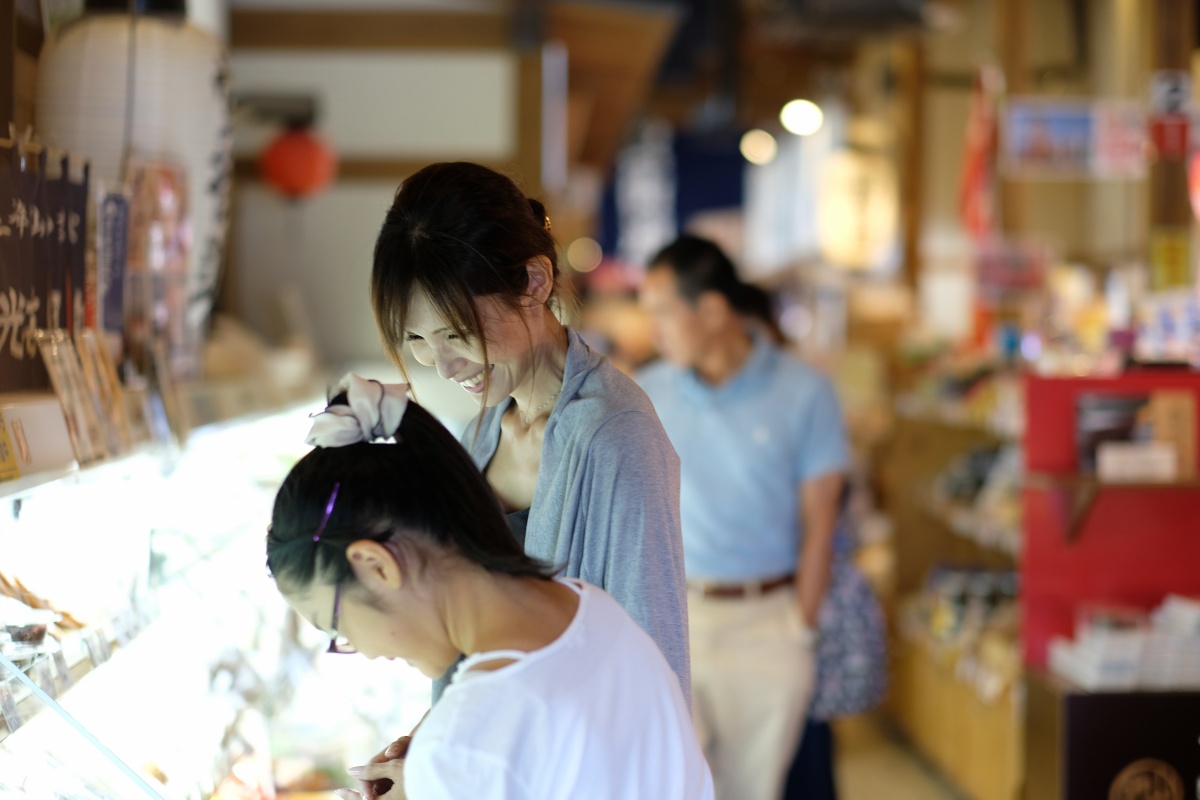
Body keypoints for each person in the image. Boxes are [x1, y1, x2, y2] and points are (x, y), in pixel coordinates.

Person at [267, 376, 713, 800]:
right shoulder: (588, 606)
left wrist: (444, 771)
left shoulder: (465, 743)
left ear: (376, 565)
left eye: (338, 625)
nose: (362, 649)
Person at [369, 161, 689, 704]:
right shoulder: (481, 432)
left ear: (534, 282)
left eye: (457, 332)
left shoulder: (615, 435)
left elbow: (654, 667)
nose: (442, 365)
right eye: (418, 339)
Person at [636, 235, 850, 800]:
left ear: (711, 310)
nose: (653, 330)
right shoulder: (646, 392)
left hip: (769, 624)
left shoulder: (805, 390)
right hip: (675, 619)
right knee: (678, 786)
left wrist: (799, 628)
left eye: (662, 312)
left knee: (755, 790)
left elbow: (822, 522)